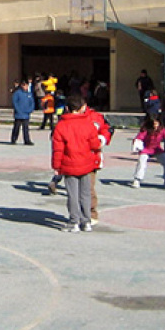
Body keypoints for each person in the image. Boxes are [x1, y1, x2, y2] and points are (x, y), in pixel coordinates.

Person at [51, 93, 102, 233]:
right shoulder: (88, 124)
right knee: (85, 193)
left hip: (69, 164)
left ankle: (74, 221)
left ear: (67, 108)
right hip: (86, 163)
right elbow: (95, 144)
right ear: (82, 108)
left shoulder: (61, 126)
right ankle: (86, 221)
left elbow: (58, 149)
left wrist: (56, 166)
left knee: (72, 194)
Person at [131, 115, 165, 190]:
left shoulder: (161, 129)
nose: (156, 125)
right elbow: (139, 137)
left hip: (157, 149)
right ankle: (137, 180)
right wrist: (136, 142)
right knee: (142, 163)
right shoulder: (145, 130)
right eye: (154, 124)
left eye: (157, 123)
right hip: (146, 149)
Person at [10, 81, 35, 146]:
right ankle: (14, 139)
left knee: (26, 128)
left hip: (26, 114)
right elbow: (15, 102)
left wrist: (30, 110)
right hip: (19, 114)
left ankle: (27, 140)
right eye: (25, 85)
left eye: (27, 86)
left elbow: (32, 103)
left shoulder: (29, 94)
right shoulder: (17, 93)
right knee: (16, 127)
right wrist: (18, 110)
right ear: (22, 85)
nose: (26, 87)